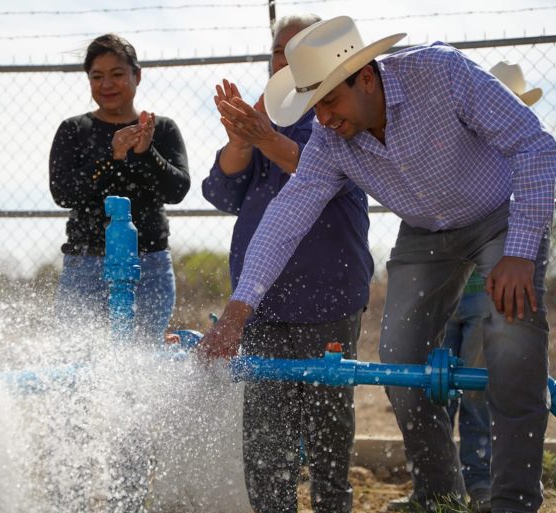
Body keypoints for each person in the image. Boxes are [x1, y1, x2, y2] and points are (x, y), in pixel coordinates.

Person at [197, 15, 556, 513]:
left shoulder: (442, 73)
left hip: (499, 219)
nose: (322, 119)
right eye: (313, 106)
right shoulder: (330, 140)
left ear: (365, 77)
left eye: (328, 100)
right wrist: (237, 310)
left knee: (511, 339)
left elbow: (535, 143)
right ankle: (440, 495)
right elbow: (286, 217)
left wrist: (519, 251)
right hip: (424, 235)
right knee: (400, 359)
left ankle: (513, 501)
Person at [202, 13, 373, 513]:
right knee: (264, 437)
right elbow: (222, 191)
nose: (286, 56)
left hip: (328, 294)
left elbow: (320, 169)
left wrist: (261, 136)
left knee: (327, 433)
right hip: (260, 303)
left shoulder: (344, 109)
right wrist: (240, 138)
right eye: (279, 48)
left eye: (297, 47)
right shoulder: (267, 113)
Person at [435, 61, 544, 513]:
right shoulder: (465, 158)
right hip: (455, 287)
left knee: (480, 390)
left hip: (487, 293)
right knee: (439, 384)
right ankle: (447, 486)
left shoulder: (518, 164)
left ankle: (480, 484)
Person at [49, 33, 190, 344]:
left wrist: (146, 152)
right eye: (97, 76)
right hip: (86, 265)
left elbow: (177, 190)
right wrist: (110, 156)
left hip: (148, 264)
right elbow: (63, 193)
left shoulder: (161, 129)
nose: (107, 84)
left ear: (137, 75)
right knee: (80, 360)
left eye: (117, 74)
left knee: (143, 361)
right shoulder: (74, 130)